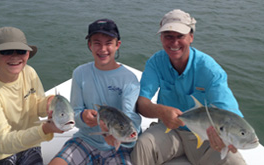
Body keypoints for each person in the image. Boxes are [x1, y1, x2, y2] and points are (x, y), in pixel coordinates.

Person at [130, 9, 246, 165]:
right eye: (168, 37)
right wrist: (161, 111)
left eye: (180, 36)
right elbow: (142, 103)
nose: (174, 42)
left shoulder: (210, 71)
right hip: (170, 130)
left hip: (207, 137)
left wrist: (226, 140)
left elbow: (229, 113)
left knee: (235, 162)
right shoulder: (155, 63)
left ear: (191, 37)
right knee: (143, 146)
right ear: (161, 38)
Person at [49, 19, 141, 165]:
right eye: (97, 43)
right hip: (85, 139)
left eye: (109, 43)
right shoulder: (80, 73)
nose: (103, 49)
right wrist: (83, 117)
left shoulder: (129, 79)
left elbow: (130, 116)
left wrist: (119, 138)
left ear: (118, 45)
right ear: (89, 45)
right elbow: (75, 113)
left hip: (117, 146)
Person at [0, 27, 63, 165]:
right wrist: (45, 129)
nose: (15, 56)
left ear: (27, 54)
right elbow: (3, 143)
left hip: (29, 144)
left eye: (21, 51)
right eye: (6, 51)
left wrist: (49, 103)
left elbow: (38, 106)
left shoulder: (29, 72)